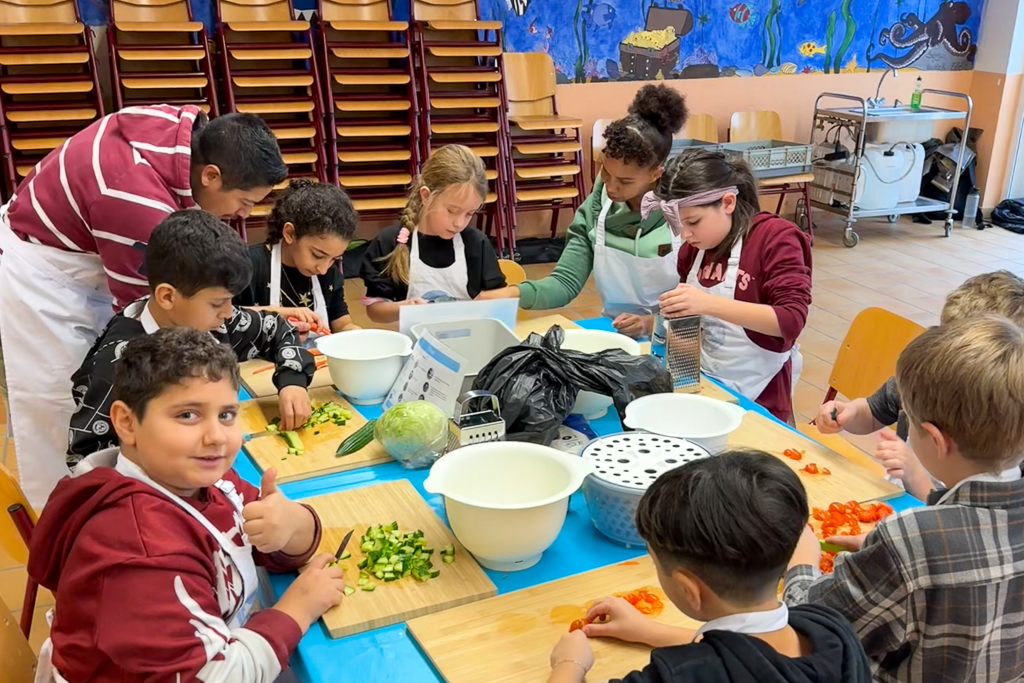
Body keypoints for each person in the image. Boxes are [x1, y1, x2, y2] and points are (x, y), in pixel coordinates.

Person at [0, 104, 287, 509]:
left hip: (83, 252)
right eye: (243, 201)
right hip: (43, 275)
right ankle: (64, 521)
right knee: (60, 402)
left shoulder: (187, 136)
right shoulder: (134, 199)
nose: (243, 214)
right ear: (210, 175)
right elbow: (153, 316)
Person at [28, 328, 344, 683]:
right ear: (126, 422)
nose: (216, 437)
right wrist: (296, 608)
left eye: (226, 415)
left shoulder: (200, 481)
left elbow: (273, 542)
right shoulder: (140, 552)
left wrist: (291, 524)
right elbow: (213, 677)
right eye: (188, 416)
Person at [784, 315, 1024, 683]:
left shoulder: (911, 540)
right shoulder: (916, 540)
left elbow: (806, 625)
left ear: (936, 440)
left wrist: (802, 560)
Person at [547, 449, 870, 683]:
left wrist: (570, 664)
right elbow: (750, 657)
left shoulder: (677, 676)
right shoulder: (832, 629)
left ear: (690, 590)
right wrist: (651, 631)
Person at [67, 210, 315, 463]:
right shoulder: (118, 364)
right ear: (167, 297)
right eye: (218, 302)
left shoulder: (212, 323)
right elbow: (86, 457)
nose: (229, 313)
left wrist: (292, 380)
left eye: (230, 301)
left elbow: (276, 327)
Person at [489, 85, 689, 338]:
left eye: (625, 182)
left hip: (675, 338)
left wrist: (652, 324)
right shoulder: (598, 206)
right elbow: (564, 283)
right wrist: (512, 293)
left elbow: (707, 311)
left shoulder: (686, 214)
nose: (611, 187)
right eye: (606, 172)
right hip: (614, 331)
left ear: (655, 174)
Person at [815, 270, 1024, 500]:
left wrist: (914, 474)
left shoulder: (1007, 425)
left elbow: (955, 519)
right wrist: (850, 414)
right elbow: (873, 412)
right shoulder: (924, 378)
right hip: (894, 496)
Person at [649, 148, 811, 424]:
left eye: (693, 222)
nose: (685, 235)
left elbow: (791, 320)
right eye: (677, 224)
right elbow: (690, 324)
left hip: (761, 395)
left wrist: (709, 304)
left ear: (727, 202)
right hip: (707, 381)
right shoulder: (695, 249)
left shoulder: (775, 239)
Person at [359, 144, 506, 323]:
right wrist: (406, 307)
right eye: (452, 210)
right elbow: (375, 311)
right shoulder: (390, 242)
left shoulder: (477, 244)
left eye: (469, 214)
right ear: (426, 196)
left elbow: (499, 298)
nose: (459, 223)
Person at [235, 179, 361, 339]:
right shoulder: (248, 266)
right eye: (317, 255)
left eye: (334, 259)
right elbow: (225, 319)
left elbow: (340, 321)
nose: (323, 269)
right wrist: (280, 315)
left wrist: (353, 332)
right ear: (290, 233)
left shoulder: (329, 273)